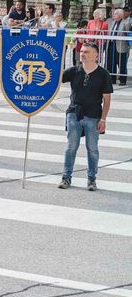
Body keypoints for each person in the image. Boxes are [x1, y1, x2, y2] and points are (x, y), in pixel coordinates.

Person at [59, 42, 112, 191]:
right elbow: (55, 78)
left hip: (93, 116)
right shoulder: (73, 71)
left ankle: (91, 179)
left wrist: (103, 119)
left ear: (96, 55)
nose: (82, 54)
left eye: (86, 52)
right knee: (71, 147)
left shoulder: (103, 74)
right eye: (82, 51)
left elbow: (107, 99)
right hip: (74, 113)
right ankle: (66, 177)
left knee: (92, 149)